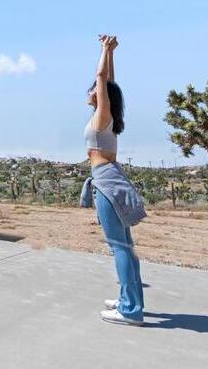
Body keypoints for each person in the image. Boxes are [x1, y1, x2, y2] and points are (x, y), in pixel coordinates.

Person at [80, 34, 147, 326]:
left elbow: (104, 79)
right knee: (125, 246)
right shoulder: (106, 118)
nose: (92, 90)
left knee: (118, 246)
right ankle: (129, 300)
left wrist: (104, 50)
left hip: (106, 181)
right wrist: (112, 54)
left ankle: (131, 310)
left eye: (95, 89)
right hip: (111, 178)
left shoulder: (102, 116)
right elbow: (110, 82)